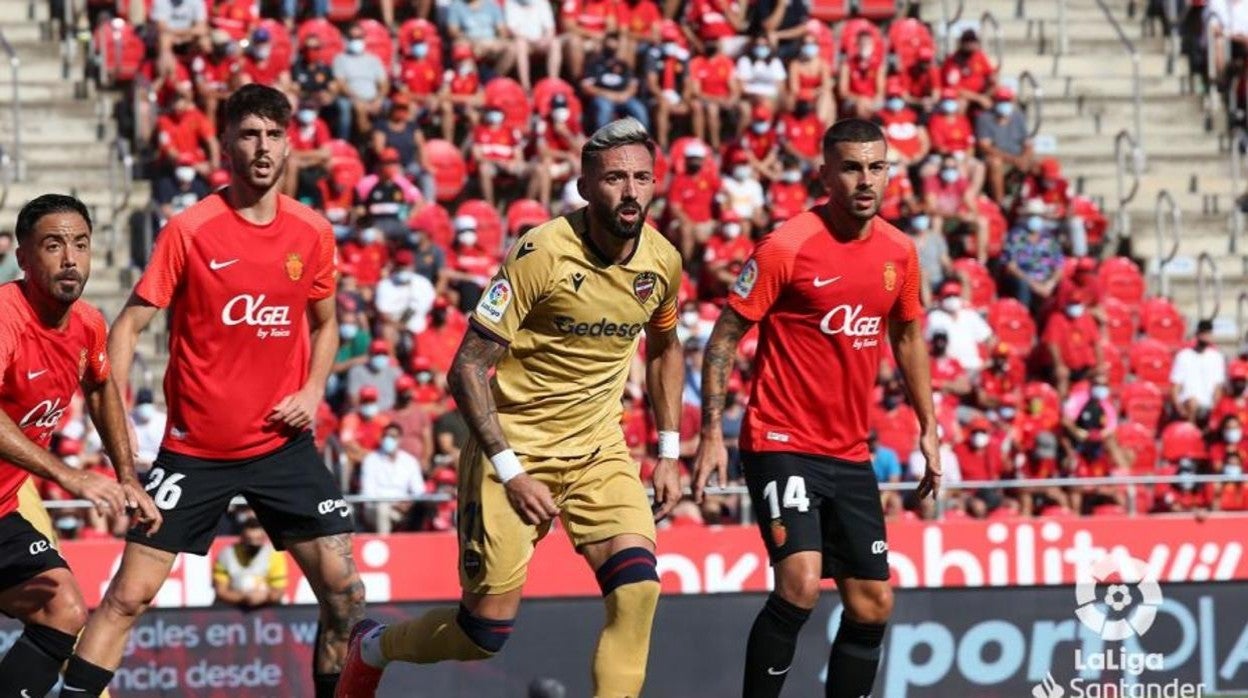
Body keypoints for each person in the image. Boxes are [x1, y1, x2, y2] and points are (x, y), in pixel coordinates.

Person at [337, 118, 685, 697]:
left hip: (599, 451)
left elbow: (666, 348)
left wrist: (668, 451)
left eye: (642, 178)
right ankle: (374, 645)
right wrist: (512, 472)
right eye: (615, 179)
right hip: (515, 451)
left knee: (638, 590)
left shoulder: (662, 260)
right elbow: (466, 367)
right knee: (481, 634)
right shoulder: (540, 253)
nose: (630, 192)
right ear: (585, 187)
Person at [68, 85, 365, 698]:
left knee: (345, 594)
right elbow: (128, 325)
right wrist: (115, 421)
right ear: (226, 143)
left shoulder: (312, 230)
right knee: (127, 598)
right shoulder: (191, 229)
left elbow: (327, 323)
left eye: (274, 135)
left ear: (289, 145)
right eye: (249, 134)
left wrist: (313, 390)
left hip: (281, 446)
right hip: (194, 453)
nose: (262, 147)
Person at [693, 119, 940, 698]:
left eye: (876, 167)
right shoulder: (787, 246)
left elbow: (907, 336)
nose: (865, 180)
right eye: (851, 168)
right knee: (801, 584)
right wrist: (710, 433)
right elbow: (724, 337)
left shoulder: (900, 252)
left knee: (873, 603)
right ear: (825, 174)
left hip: (849, 451)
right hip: (780, 440)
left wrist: (929, 426)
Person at [0, 194, 161, 696]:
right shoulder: (5, 317)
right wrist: (68, 475)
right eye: (53, 245)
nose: (70, 259)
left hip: (1, 509)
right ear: (24, 258)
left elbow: (99, 387)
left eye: (81, 244)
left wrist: (128, 477)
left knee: (64, 609)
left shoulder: (88, 323)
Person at [213, 516, 287, 608]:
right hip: (232, 608)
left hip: (266, 606)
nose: (253, 544)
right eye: (249, 540)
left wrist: (263, 597)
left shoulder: (273, 555)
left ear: (264, 538)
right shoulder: (227, 555)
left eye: (258, 540)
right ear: (242, 537)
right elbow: (221, 591)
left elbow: (278, 592)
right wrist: (244, 597)